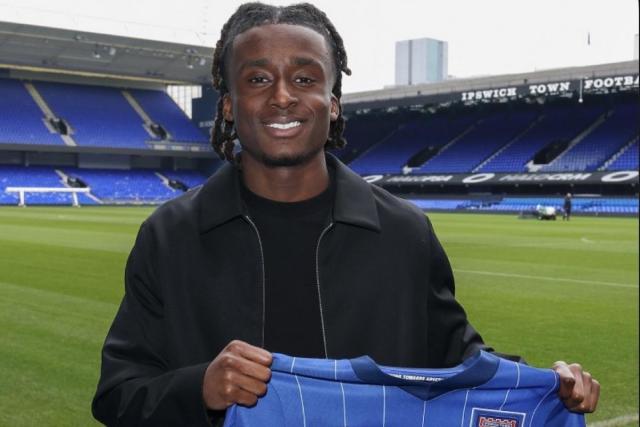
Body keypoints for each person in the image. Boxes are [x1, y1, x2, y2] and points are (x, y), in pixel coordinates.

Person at [92, 3, 599, 426]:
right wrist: (199, 388)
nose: (282, 96)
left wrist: (550, 382)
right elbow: (118, 395)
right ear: (228, 105)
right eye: (258, 78)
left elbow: (460, 361)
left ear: (332, 102)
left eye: (305, 78)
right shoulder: (171, 235)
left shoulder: (404, 232)